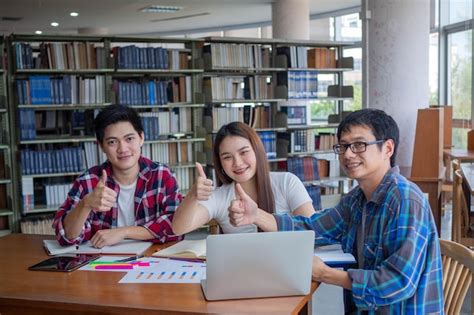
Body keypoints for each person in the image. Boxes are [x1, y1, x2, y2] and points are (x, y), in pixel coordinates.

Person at [228, 109, 443, 314]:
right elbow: (313, 227)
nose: (348, 154)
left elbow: (397, 282)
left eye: (359, 145)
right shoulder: (357, 198)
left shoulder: (404, 199)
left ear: (387, 148)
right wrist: (256, 215)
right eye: (343, 146)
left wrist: (325, 274)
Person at [52, 104, 182, 247]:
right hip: (103, 265)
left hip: (151, 260)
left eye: (129, 139)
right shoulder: (88, 181)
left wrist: (124, 232)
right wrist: (85, 204)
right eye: (112, 142)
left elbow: (177, 226)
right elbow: (66, 236)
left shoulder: (162, 175)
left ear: (141, 138)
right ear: (101, 146)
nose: (122, 149)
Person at [172, 121, 315, 235]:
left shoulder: (287, 182)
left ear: (257, 151)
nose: (238, 163)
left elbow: (313, 231)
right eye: (227, 157)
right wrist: (192, 196)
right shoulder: (220, 197)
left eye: (244, 152)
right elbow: (179, 228)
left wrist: (257, 216)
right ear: (220, 164)